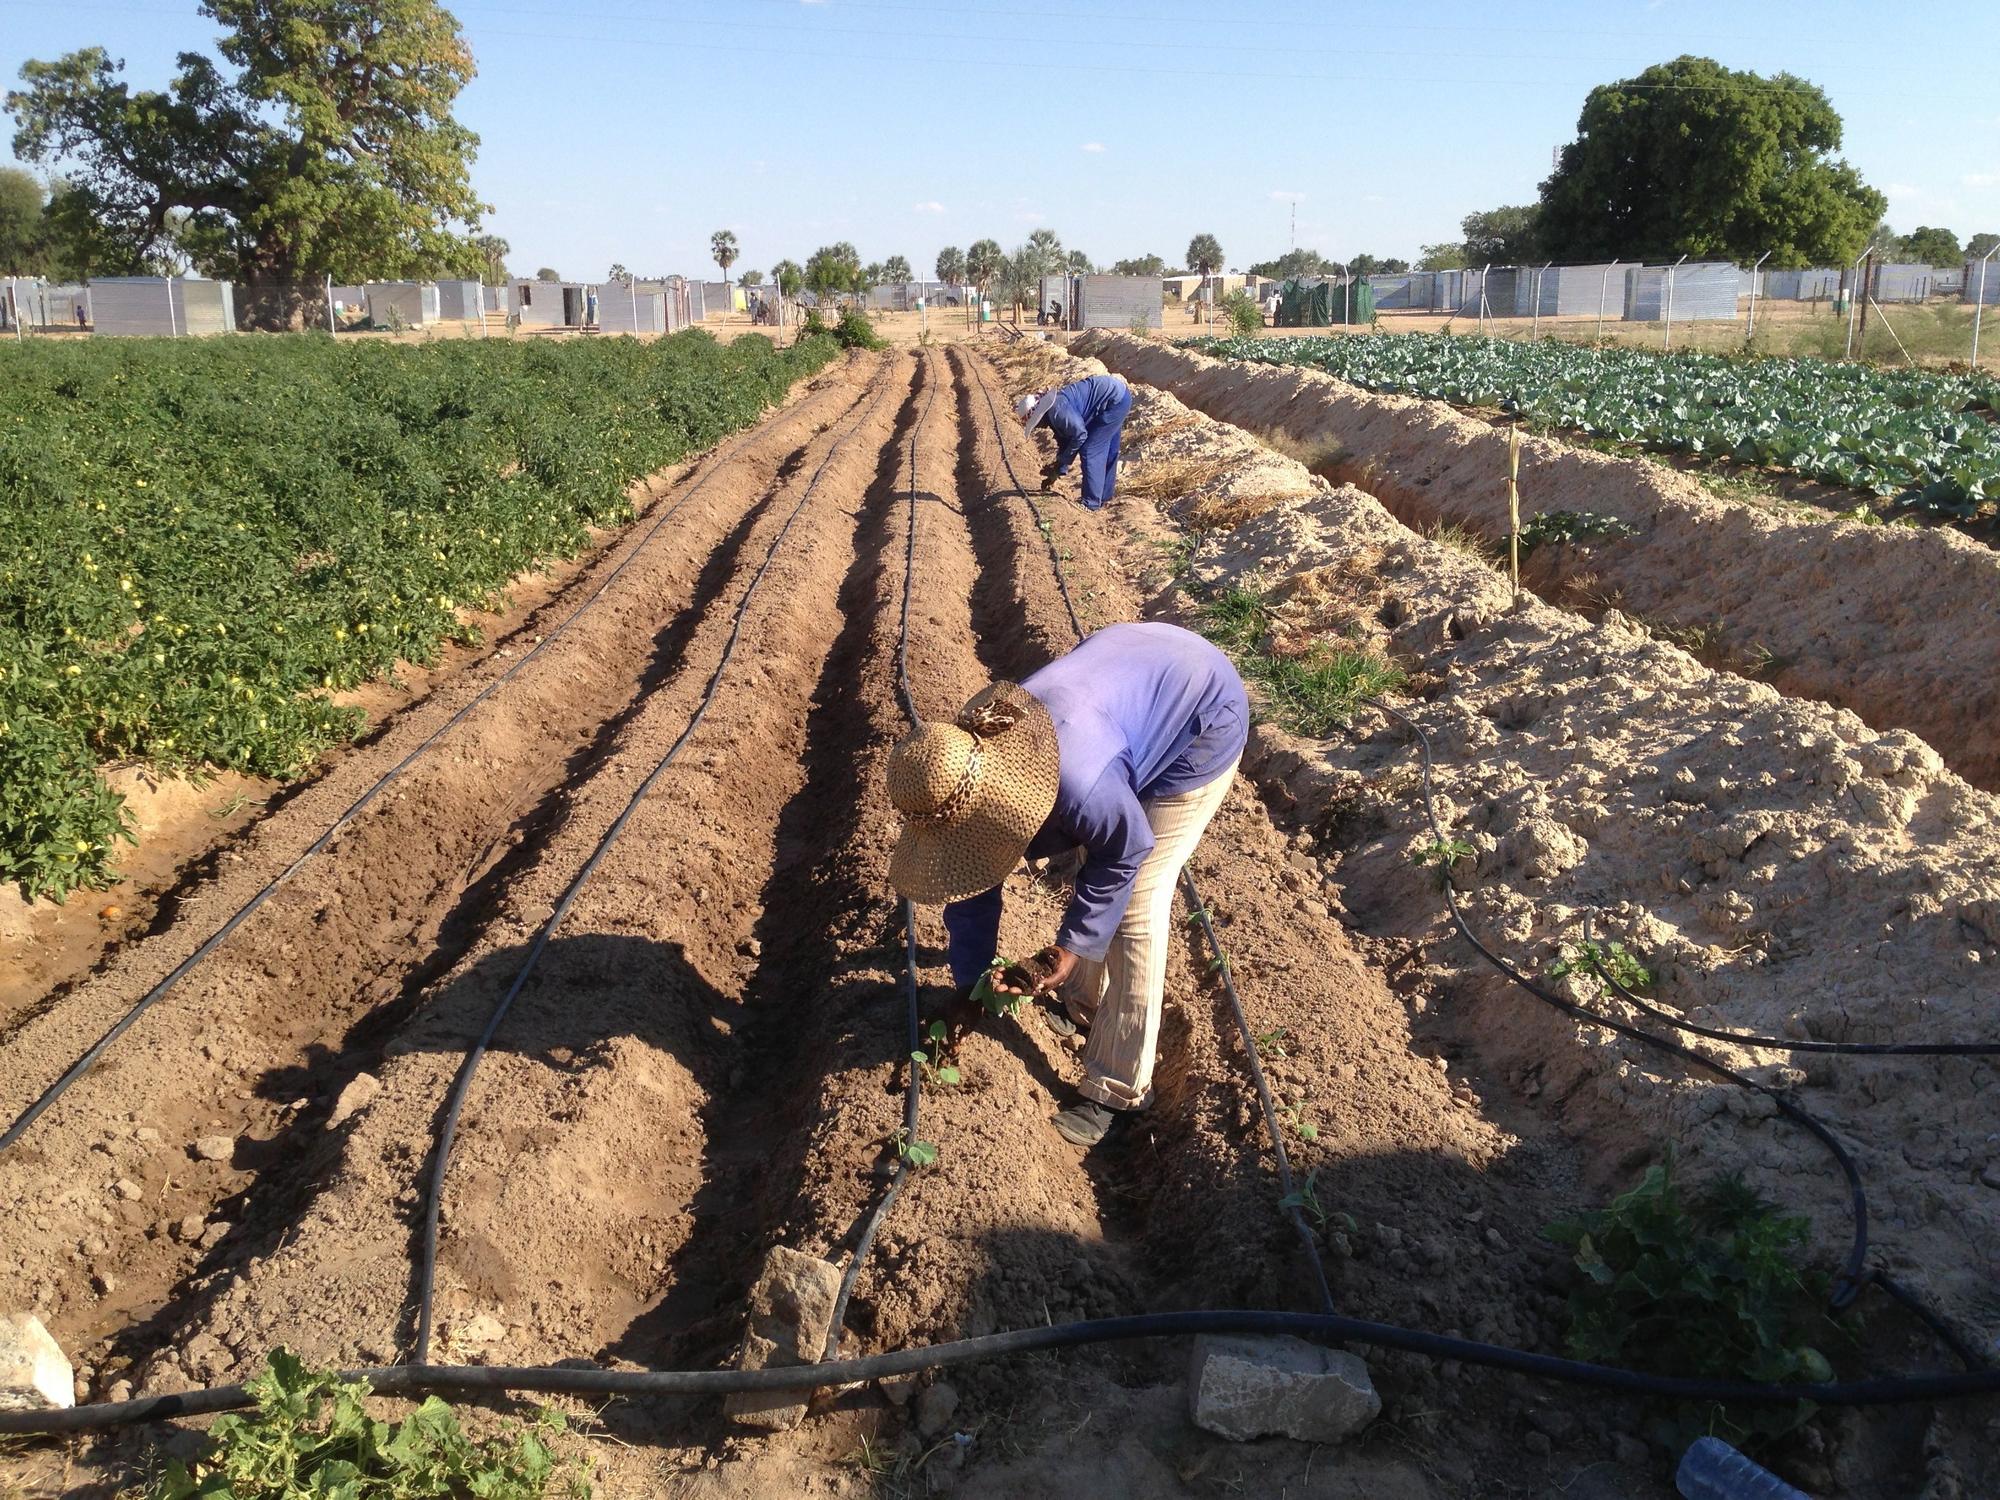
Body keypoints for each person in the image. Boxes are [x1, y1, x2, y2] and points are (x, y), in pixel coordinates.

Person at [885, 622, 1248, 1147]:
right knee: (1091, 865)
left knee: (1134, 908)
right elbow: (971, 883)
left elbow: (1125, 849)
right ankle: (1082, 1003)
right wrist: (970, 987)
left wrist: (1070, 947)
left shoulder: (1079, 787)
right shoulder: (958, 774)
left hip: (1200, 708)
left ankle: (1118, 1087)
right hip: (1125, 681)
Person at [1014, 373, 1133, 512]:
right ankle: (1104, 497)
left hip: (1115, 401)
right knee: (1107, 449)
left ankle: (1090, 503)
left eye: (1036, 424)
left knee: (1091, 450)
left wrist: (1063, 462)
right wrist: (1057, 470)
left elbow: (1080, 435)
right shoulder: (1054, 413)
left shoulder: (1058, 412)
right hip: (1116, 396)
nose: (1038, 427)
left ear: (1039, 416)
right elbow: (1065, 442)